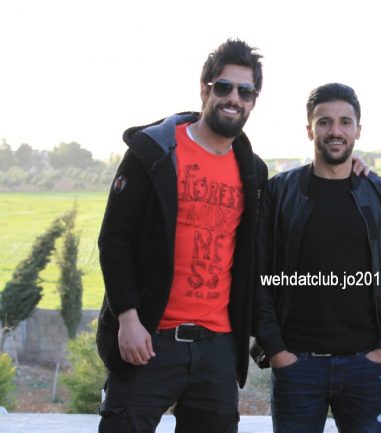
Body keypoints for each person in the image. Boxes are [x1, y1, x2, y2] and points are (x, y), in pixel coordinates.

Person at [95, 39, 268, 433]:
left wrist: (354, 165)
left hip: (218, 348)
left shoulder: (253, 171)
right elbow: (114, 239)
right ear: (205, 89)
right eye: (224, 87)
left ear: (253, 101)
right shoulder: (154, 152)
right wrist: (128, 319)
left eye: (245, 91)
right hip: (150, 337)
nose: (234, 98)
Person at [252, 83, 381, 433]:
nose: (335, 131)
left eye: (345, 122)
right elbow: (258, 273)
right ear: (310, 129)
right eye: (324, 122)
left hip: (366, 366)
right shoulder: (279, 192)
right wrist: (277, 350)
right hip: (296, 364)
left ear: (358, 130)